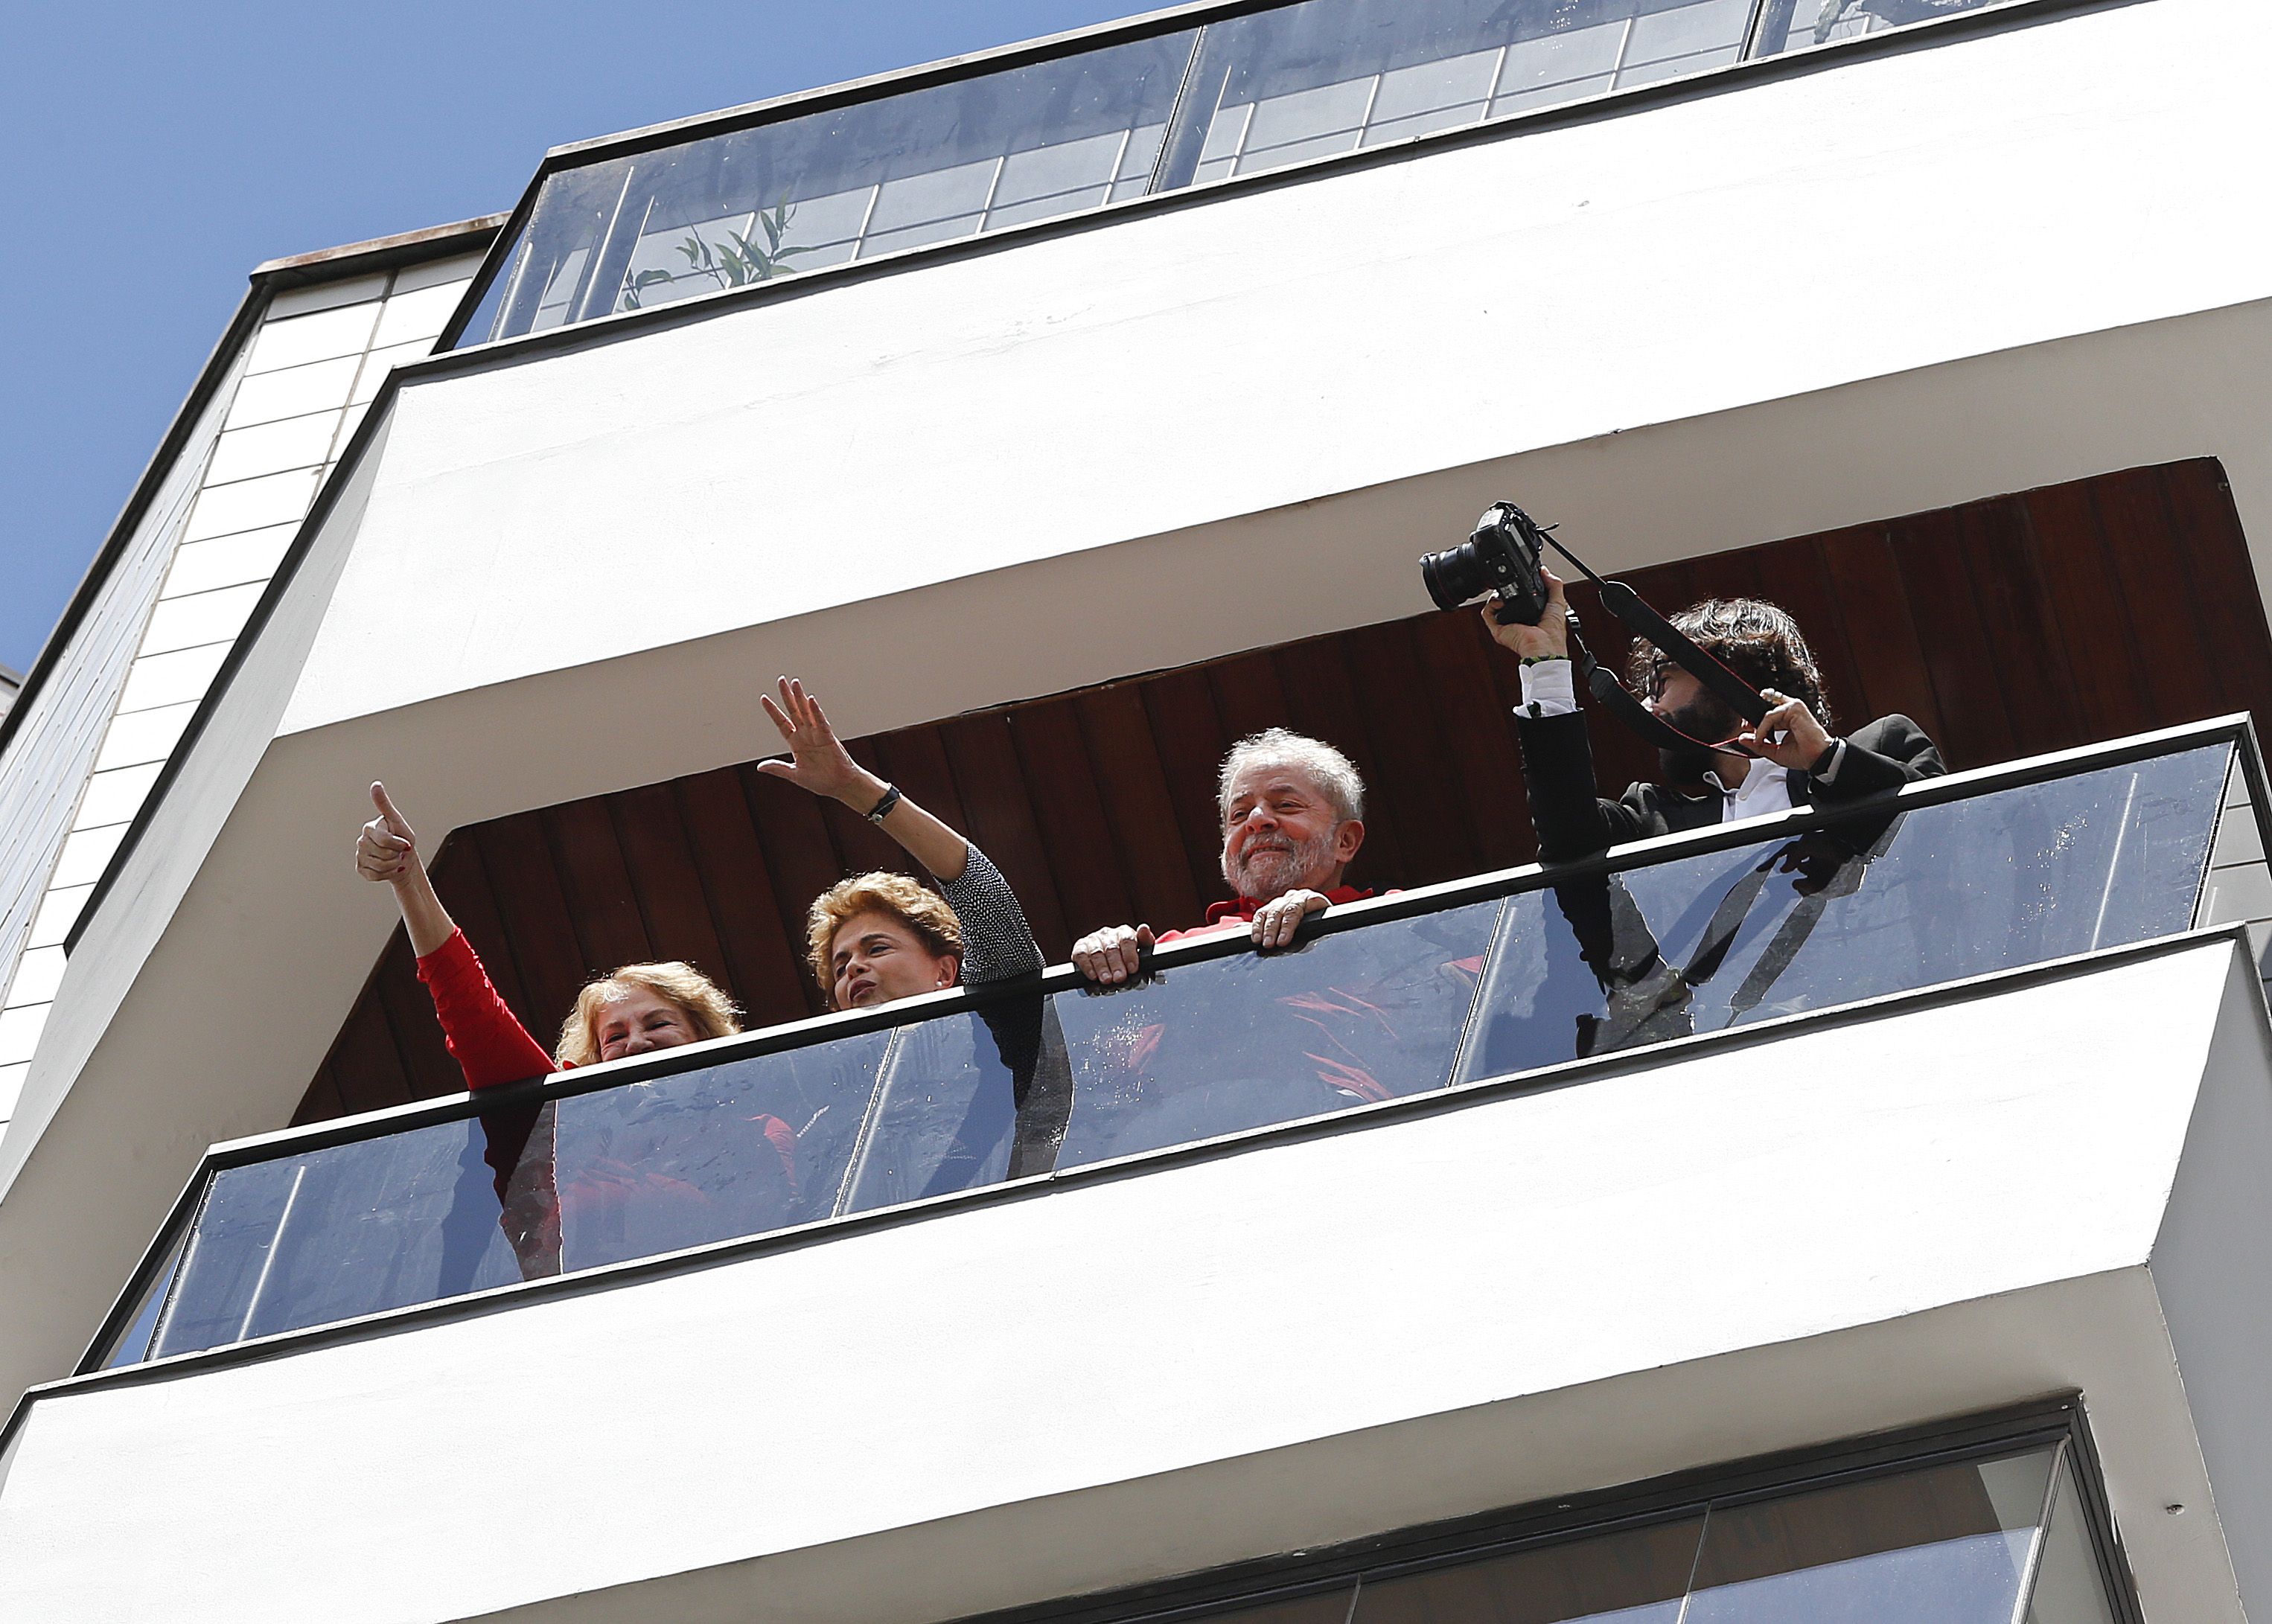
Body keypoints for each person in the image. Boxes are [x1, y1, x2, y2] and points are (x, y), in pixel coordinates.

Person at [1484, 572, 1944, 863]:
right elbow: (1568, 839)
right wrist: (1543, 663)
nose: (1647, 705)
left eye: (1662, 678)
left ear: (1731, 675)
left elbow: (1940, 835)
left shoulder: (1884, 745)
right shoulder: (1651, 817)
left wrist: (1827, 760)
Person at [759, 677, 1043, 1008]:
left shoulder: (995, 1021)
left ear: (945, 972)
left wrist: (854, 787)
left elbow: (978, 889)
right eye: (840, 969)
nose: (853, 968)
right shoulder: (842, 1061)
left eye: (877, 948)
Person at [1070, 727, 1374, 986]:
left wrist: (1331, 928)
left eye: (1286, 805)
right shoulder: (1169, 953)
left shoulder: (1404, 927)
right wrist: (1105, 956)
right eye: (1239, 814)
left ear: (1345, 841)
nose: (1256, 821)